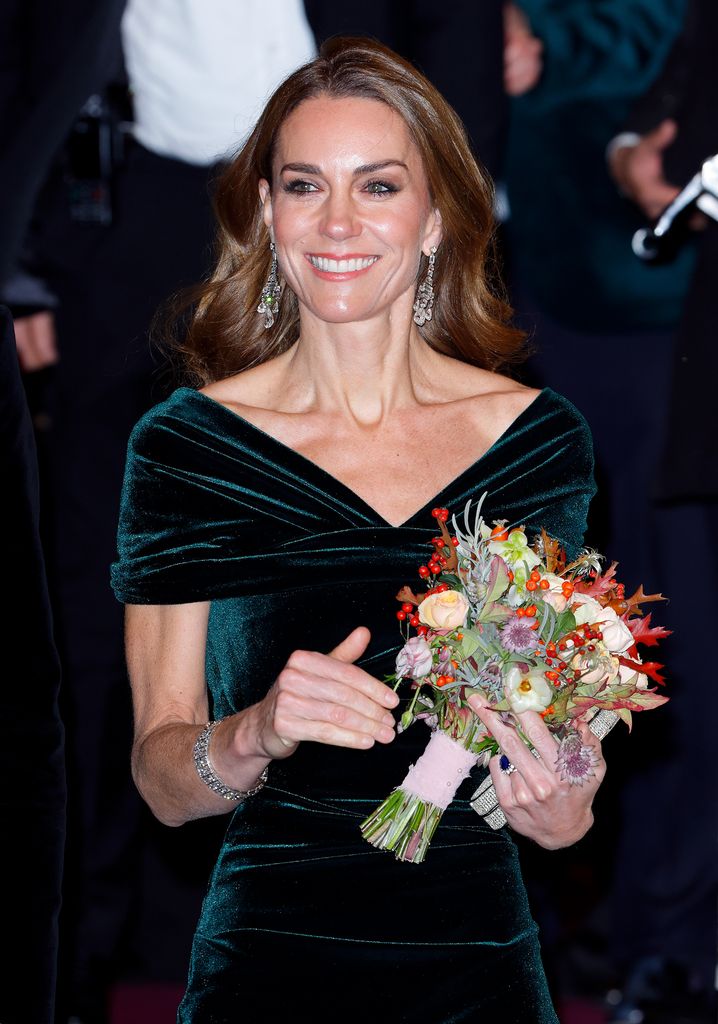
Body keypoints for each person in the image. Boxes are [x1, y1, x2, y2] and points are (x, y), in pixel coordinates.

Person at [111, 37, 604, 1022]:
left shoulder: (536, 442)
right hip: (269, 960)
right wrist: (254, 731)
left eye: (377, 186)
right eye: (305, 185)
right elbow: (163, 782)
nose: (337, 221)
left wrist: (566, 797)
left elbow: (571, 735)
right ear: (267, 213)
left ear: (434, 220)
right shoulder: (187, 449)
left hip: (477, 957)